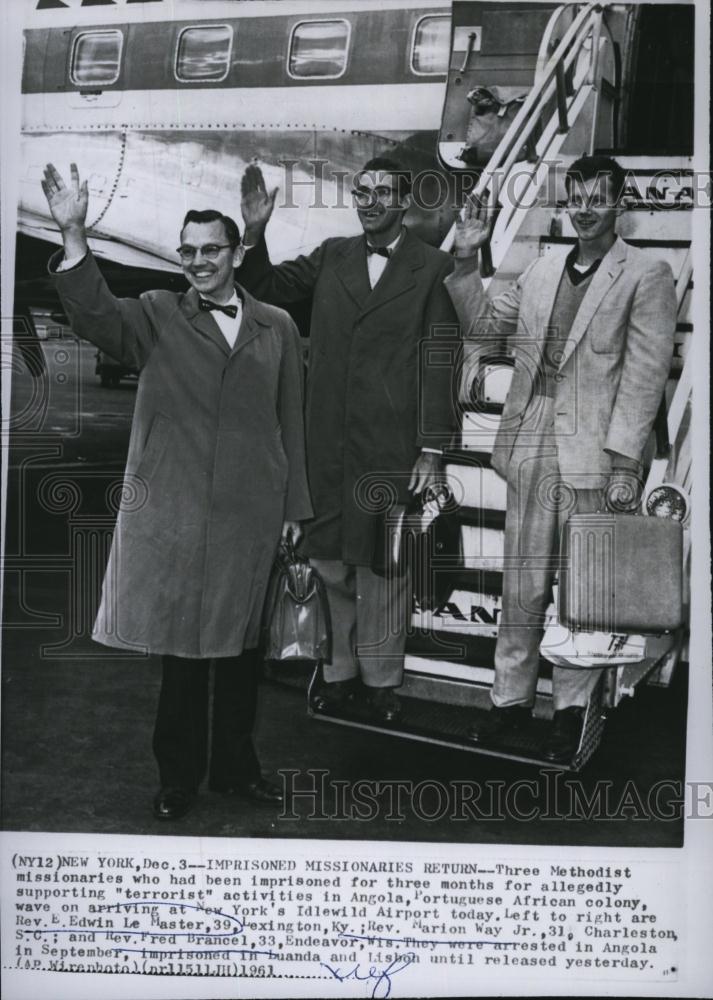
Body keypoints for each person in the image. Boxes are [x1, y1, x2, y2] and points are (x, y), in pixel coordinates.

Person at [41, 163, 312, 819]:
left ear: (237, 254)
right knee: (184, 653)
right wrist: (74, 233)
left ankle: (237, 769)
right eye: (187, 251)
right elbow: (96, 316)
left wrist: (295, 509)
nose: (198, 262)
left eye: (211, 250)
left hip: (251, 514)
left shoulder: (277, 325)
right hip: (180, 513)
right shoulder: (158, 313)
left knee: (243, 651)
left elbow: (292, 421)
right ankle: (177, 779)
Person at [445, 154, 676, 762]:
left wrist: (624, 463)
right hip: (531, 438)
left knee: (583, 585)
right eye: (577, 197)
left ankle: (570, 712)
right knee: (521, 581)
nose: (586, 208)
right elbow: (482, 328)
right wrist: (467, 259)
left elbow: (646, 375)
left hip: (595, 451)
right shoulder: (543, 268)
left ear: (620, 203)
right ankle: (508, 702)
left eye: (599, 197)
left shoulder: (646, 273)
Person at [237, 157, 458, 723]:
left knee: (384, 566)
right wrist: (255, 234)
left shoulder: (433, 267)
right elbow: (266, 289)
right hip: (328, 439)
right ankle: (336, 672)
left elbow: (439, 361)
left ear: (404, 202)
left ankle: (382, 681)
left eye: (383, 192)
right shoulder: (332, 255)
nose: (370, 202)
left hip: (389, 442)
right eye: (362, 192)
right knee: (329, 559)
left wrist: (432, 449)